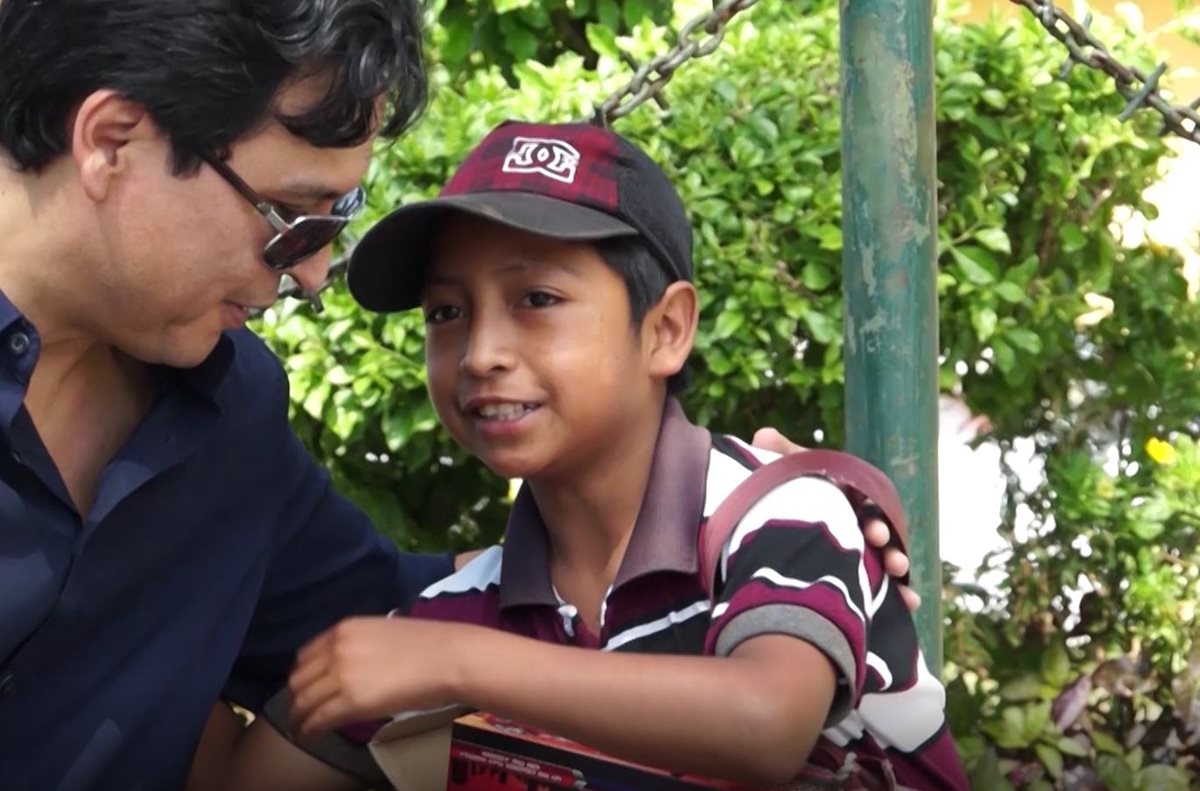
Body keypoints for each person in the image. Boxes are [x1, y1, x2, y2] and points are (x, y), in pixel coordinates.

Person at [0, 3, 910, 789]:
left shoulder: (226, 414)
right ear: (113, 141)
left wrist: (767, 514)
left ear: (667, 327)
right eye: (291, 218)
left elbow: (391, 622)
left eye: (331, 227)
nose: (313, 275)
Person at [213, 121, 967, 790]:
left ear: (667, 329)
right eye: (447, 312)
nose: (481, 353)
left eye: (536, 299)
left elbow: (766, 724)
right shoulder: (461, 611)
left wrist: (457, 663)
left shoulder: (782, 514)